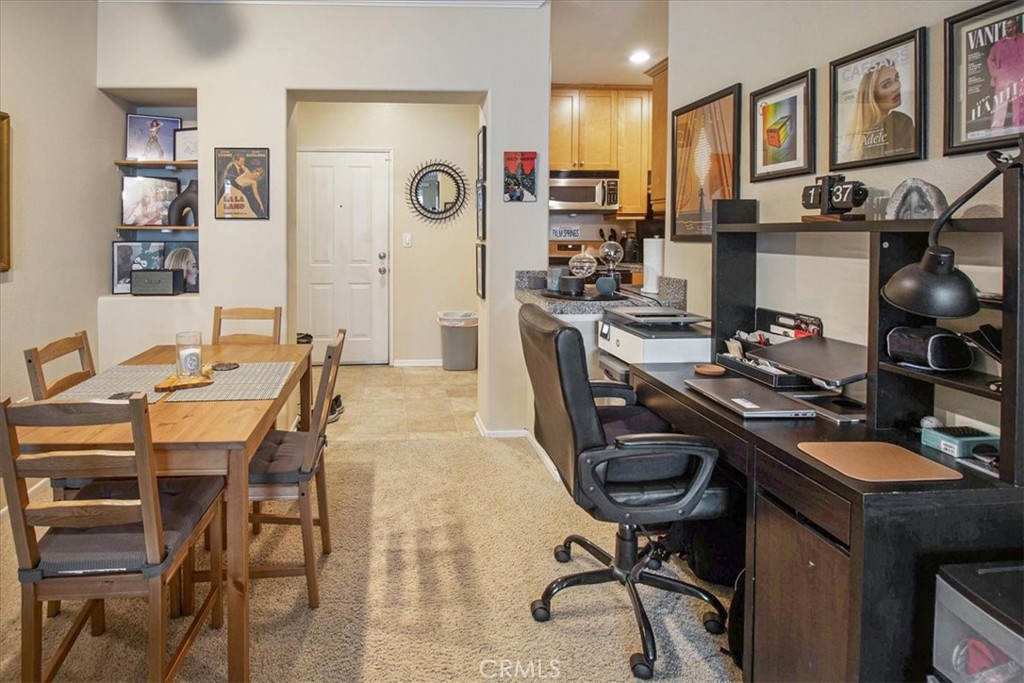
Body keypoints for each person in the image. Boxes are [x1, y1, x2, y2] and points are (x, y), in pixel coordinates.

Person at [843, 64, 915, 161]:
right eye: (886, 85)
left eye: (897, 78)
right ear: (871, 95)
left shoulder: (854, 138)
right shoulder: (900, 122)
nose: (896, 87)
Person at [987, 16, 1024, 130]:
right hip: (1003, 78)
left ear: (1016, 26)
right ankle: (997, 130)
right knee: (1000, 103)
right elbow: (990, 59)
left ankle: (1019, 128)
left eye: (1011, 27)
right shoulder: (999, 44)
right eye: (1007, 27)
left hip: (1020, 75)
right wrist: (996, 74)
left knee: (1020, 103)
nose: (1009, 29)